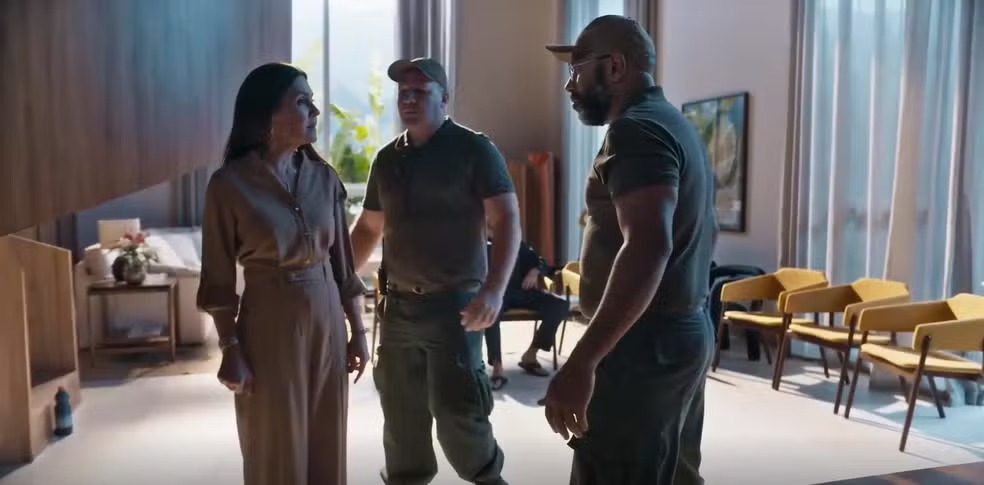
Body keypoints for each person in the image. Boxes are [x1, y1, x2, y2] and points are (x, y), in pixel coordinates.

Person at [541, 15, 719, 485]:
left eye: (577, 70)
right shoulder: (675, 125)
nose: (570, 85)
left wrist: (583, 361)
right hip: (677, 332)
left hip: (642, 346)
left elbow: (648, 246)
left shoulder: (635, 132)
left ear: (615, 66)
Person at [349, 57, 520, 485]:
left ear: (444, 99)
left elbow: (505, 219)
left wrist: (495, 290)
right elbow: (368, 228)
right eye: (403, 93)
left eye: (420, 92)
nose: (408, 100)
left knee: (459, 413)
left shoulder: (474, 150)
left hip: (455, 308)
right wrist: (334, 280)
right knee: (401, 418)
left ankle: (488, 477)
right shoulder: (387, 160)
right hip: (398, 309)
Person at [197, 62, 370, 485]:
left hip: (327, 323)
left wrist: (358, 332)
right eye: (302, 102)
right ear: (267, 115)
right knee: (274, 447)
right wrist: (230, 348)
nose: (315, 112)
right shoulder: (228, 186)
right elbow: (217, 282)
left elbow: (344, 268)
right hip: (269, 327)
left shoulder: (325, 178)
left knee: (328, 444)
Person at [484, 239, 569, 390]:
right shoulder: (480, 244)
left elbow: (540, 261)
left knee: (560, 305)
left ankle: (530, 355)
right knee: (491, 312)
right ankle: (497, 367)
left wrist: (535, 270)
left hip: (521, 290)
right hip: (496, 293)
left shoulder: (513, 240)